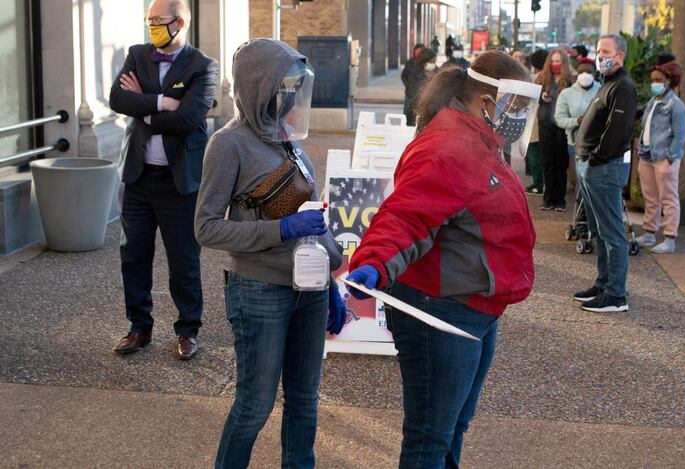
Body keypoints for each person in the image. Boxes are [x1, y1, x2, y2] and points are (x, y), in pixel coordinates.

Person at [346, 51, 536, 468]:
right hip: (442, 311)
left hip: (471, 309)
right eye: (516, 106)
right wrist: (374, 262)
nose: (520, 117)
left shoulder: (479, 139)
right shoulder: (449, 145)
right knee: (430, 440)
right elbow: (405, 215)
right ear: (487, 101)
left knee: (452, 428)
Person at [194, 39, 345, 468]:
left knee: (304, 402)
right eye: (284, 86)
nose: (293, 97)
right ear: (259, 86)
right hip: (259, 292)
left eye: (296, 87)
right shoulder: (229, 144)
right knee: (254, 406)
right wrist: (279, 228)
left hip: (309, 290)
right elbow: (205, 227)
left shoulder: (288, 139)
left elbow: (314, 217)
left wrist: (330, 279)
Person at [109, 0, 218, 360]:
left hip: (179, 183)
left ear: (180, 22)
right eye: (149, 19)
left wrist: (144, 105)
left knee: (183, 260)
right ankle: (139, 327)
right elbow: (116, 99)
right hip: (139, 179)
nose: (152, 25)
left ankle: (188, 330)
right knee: (133, 255)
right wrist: (159, 101)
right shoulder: (137, 55)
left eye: (159, 20)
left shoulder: (203, 66)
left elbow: (188, 120)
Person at [573, 34, 637, 313]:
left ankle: (615, 295)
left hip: (603, 168)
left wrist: (595, 157)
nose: (600, 56)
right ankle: (603, 284)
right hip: (591, 166)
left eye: (606, 51)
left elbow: (616, 131)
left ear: (620, 56)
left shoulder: (622, 87)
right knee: (599, 230)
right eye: (599, 51)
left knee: (611, 233)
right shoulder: (607, 83)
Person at [635, 61, 685, 254]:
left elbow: (680, 135)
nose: (654, 83)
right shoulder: (653, 101)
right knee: (650, 197)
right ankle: (649, 233)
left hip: (663, 157)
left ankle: (669, 238)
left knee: (668, 198)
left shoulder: (676, 105)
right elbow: (646, 126)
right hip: (647, 155)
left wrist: (670, 157)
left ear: (669, 81)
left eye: (659, 80)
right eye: (652, 80)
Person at [555, 57, 600, 193]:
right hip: (574, 143)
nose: (585, 75)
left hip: (598, 144)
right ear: (577, 74)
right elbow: (559, 119)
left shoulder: (602, 90)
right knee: (579, 179)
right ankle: (581, 208)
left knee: (594, 179)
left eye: (589, 72)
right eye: (581, 72)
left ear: (595, 74)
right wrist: (577, 121)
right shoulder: (566, 93)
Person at [535, 48, 573, 211]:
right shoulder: (543, 79)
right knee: (548, 163)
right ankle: (548, 198)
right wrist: (542, 97)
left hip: (562, 126)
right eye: (553, 61)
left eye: (558, 61)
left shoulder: (570, 81)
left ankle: (560, 200)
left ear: (563, 63)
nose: (555, 64)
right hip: (545, 124)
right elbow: (533, 96)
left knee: (561, 163)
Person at [524, 49, 549, 194]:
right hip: (547, 121)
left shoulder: (533, 79)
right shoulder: (550, 78)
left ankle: (538, 184)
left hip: (533, 121)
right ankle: (546, 183)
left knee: (534, 154)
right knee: (546, 154)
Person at [403, 47, 437, 127]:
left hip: (434, 113)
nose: (433, 64)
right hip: (417, 113)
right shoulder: (415, 74)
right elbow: (412, 93)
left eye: (434, 62)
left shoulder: (438, 73)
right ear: (423, 62)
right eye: (431, 62)